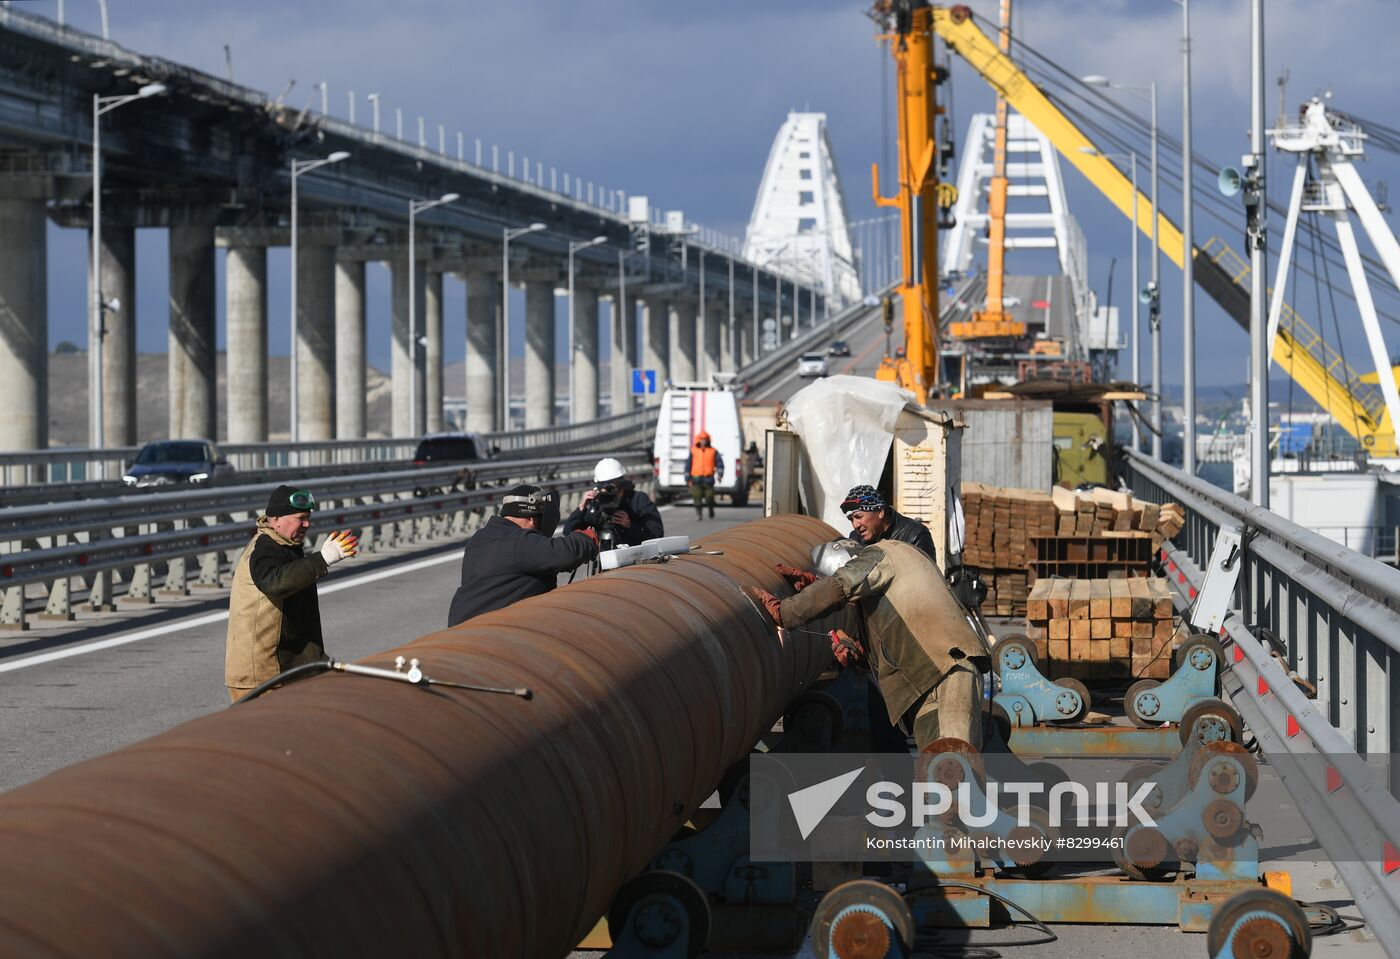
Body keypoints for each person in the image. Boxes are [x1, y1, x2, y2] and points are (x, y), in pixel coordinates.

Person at [756, 537, 991, 751]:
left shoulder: (881, 554)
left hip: (945, 677)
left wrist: (786, 612)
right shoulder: (883, 591)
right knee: (946, 774)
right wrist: (860, 655)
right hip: (936, 679)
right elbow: (896, 640)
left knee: (949, 773)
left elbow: (839, 586)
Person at [225, 485, 359, 703]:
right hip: (261, 676)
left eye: (308, 518)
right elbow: (275, 583)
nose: (307, 524)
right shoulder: (265, 549)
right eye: (301, 518)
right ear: (277, 519)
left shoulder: (286, 546)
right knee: (273, 735)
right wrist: (322, 559)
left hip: (286, 668)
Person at [446, 484, 599, 626]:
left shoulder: (480, 538)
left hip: (459, 625)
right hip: (490, 632)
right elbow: (564, 554)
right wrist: (585, 538)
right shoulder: (518, 540)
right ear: (532, 518)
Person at [561, 457, 665, 548]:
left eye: (614, 486)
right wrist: (581, 508)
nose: (611, 492)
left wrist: (630, 525)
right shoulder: (596, 505)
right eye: (605, 487)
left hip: (634, 558)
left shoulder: (638, 500)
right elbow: (568, 532)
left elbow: (657, 534)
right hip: (605, 560)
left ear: (622, 484)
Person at [840, 484, 936, 565]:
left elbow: (927, 576)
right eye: (851, 520)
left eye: (859, 516)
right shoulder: (856, 538)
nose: (855, 525)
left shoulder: (914, 535)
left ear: (880, 512)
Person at [685, 432, 724, 521]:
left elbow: (719, 463)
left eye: (705, 439)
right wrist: (687, 477)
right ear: (699, 439)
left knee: (709, 497)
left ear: (708, 440)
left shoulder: (713, 451)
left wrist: (720, 474)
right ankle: (699, 514)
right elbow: (688, 464)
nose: (703, 441)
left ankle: (711, 509)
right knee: (696, 497)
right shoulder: (693, 451)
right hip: (696, 479)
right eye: (702, 439)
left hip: (708, 479)